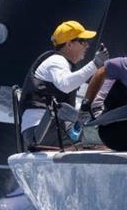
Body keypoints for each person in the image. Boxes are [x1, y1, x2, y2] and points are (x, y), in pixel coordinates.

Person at [19, 20, 108, 148]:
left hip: (45, 129)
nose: (87, 46)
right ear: (69, 44)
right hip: (41, 130)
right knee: (104, 139)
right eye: (82, 41)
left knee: (98, 137)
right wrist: (95, 64)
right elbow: (66, 85)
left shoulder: (60, 63)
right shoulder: (56, 61)